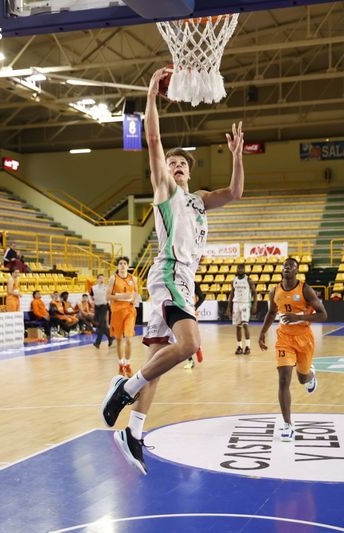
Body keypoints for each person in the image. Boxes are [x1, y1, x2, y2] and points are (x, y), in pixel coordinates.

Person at [100, 66, 245, 475]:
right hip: (168, 274)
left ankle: (135, 432)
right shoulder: (166, 191)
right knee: (188, 346)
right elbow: (153, 139)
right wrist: (150, 94)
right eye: (174, 161)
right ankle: (124, 388)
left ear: (191, 172)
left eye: (183, 163)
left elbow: (235, 192)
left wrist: (236, 157)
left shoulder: (198, 200)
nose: (178, 165)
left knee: (160, 359)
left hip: (185, 281)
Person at [258, 257, 327, 442]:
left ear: (297, 271)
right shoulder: (275, 291)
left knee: (302, 377)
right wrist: (263, 332)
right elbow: (272, 312)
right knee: (283, 380)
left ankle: (310, 376)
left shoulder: (305, 289)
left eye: (291, 266)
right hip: (284, 339)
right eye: (285, 266)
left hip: (304, 338)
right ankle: (288, 425)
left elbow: (323, 314)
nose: (287, 268)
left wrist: (299, 317)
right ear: (282, 270)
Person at [108, 256, 138, 378]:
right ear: (118, 266)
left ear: (127, 265)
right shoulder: (113, 279)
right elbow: (108, 296)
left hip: (129, 310)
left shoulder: (133, 278)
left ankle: (128, 363)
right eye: (120, 263)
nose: (122, 265)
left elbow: (136, 292)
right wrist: (122, 296)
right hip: (117, 311)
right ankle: (121, 364)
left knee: (129, 339)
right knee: (119, 339)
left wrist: (133, 300)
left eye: (125, 263)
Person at [227, 264, 257, 355]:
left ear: (244, 269)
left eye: (241, 268)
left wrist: (255, 304)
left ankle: (248, 347)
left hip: (245, 304)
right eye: (238, 268)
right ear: (237, 269)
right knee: (238, 326)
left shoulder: (248, 280)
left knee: (245, 324)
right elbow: (232, 294)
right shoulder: (234, 280)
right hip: (236, 304)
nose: (240, 270)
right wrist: (229, 307)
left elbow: (255, 293)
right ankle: (239, 347)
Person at [183, 282, 206, 369]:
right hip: (185, 310)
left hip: (190, 311)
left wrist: (195, 307)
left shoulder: (192, 283)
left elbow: (202, 297)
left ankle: (191, 360)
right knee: (187, 336)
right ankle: (197, 347)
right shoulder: (183, 282)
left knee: (187, 336)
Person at [91, 273, 114, 349]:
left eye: (102, 278)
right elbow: (91, 296)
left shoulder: (106, 287)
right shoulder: (93, 288)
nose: (101, 279)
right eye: (100, 278)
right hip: (97, 307)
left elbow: (110, 296)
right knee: (100, 325)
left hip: (104, 306)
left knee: (101, 324)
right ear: (97, 279)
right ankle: (110, 337)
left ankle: (97, 342)